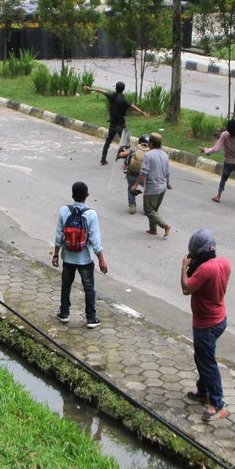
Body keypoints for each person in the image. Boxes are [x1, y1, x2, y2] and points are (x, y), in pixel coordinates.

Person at [181, 229, 232, 422]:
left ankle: (218, 403)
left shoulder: (204, 270)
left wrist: (184, 268)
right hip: (220, 318)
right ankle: (203, 391)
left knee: (208, 363)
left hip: (206, 324)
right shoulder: (224, 263)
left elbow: (186, 288)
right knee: (202, 357)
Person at [52, 181, 108, 328]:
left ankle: (64, 314)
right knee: (89, 288)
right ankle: (91, 318)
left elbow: (59, 235)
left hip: (68, 256)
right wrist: (102, 260)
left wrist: (56, 254)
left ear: (72, 195)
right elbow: (95, 240)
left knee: (66, 285)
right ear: (87, 195)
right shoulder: (91, 214)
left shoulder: (64, 211)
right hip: (85, 259)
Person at [83, 82, 147, 165]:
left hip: (112, 124)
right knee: (126, 144)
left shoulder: (111, 96)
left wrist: (90, 89)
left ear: (115, 88)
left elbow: (101, 91)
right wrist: (142, 113)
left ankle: (103, 159)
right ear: (123, 89)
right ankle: (127, 163)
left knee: (108, 141)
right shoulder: (124, 100)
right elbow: (133, 107)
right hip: (121, 125)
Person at [131, 132, 172, 239]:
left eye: (149, 142)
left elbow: (144, 172)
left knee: (149, 211)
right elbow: (168, 172)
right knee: (154, 210)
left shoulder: (148, 155)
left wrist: (135, 184)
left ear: (152, 143)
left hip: (152, 188)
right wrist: (168, 183)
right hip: (162, 188)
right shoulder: (164, 155)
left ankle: (165, 226)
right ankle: (153, 230)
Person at [116, 134, 150, 215]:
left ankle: (132, 206)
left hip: (131, 174)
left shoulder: (134, 149)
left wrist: (121, 150)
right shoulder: (151, 152)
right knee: (148, 190)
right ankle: (147, 209)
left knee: (131, 188)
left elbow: (120, 155)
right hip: (143, 176)